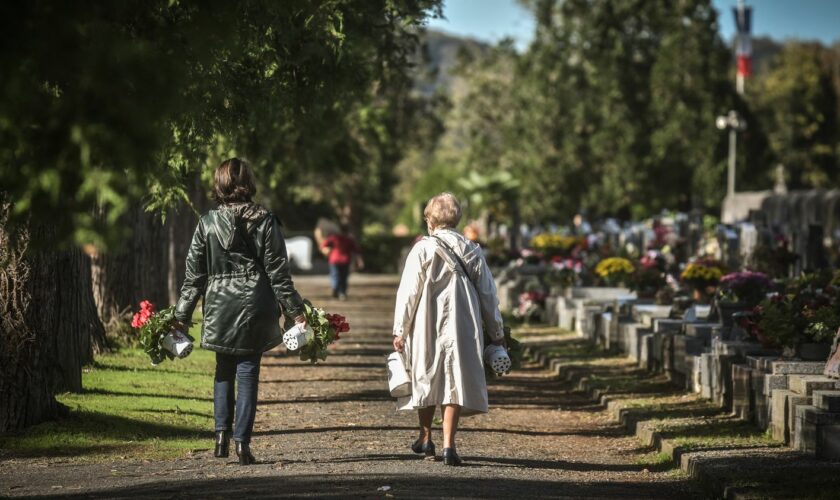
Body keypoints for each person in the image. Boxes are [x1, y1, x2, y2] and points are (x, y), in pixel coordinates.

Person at [175, 158, 306, 465]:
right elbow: (278, 274)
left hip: (219, 307)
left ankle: (220, 437)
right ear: (249, 182)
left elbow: (194, 278)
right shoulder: (265, 220)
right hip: (255, 307)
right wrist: (295, 312)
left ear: (219, 184)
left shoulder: (206, 223)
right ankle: (242, 444)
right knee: (247, 373)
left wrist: (181, 317)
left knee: (223, 370)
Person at [392, 192, 505, 466]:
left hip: (425, 321)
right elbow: (488, 294)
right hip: (462, 322)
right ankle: (449, 446)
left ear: (430, 220)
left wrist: (401, 329)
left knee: (426, 374)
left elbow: (408, 293)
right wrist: (497, 331)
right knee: (455, 379)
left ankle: (425, 436)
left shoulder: (422, 249)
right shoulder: (472, 249)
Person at [320, 225, 363, 300]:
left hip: (334, 260)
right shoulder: (349, 239)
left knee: (335, 275)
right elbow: (356, 251)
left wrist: (326, 250)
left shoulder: (333, 237)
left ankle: (335, 288)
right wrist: (360, 261)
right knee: (343, 277)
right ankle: (342, 293)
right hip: (345, 260)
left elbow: (323, 245)